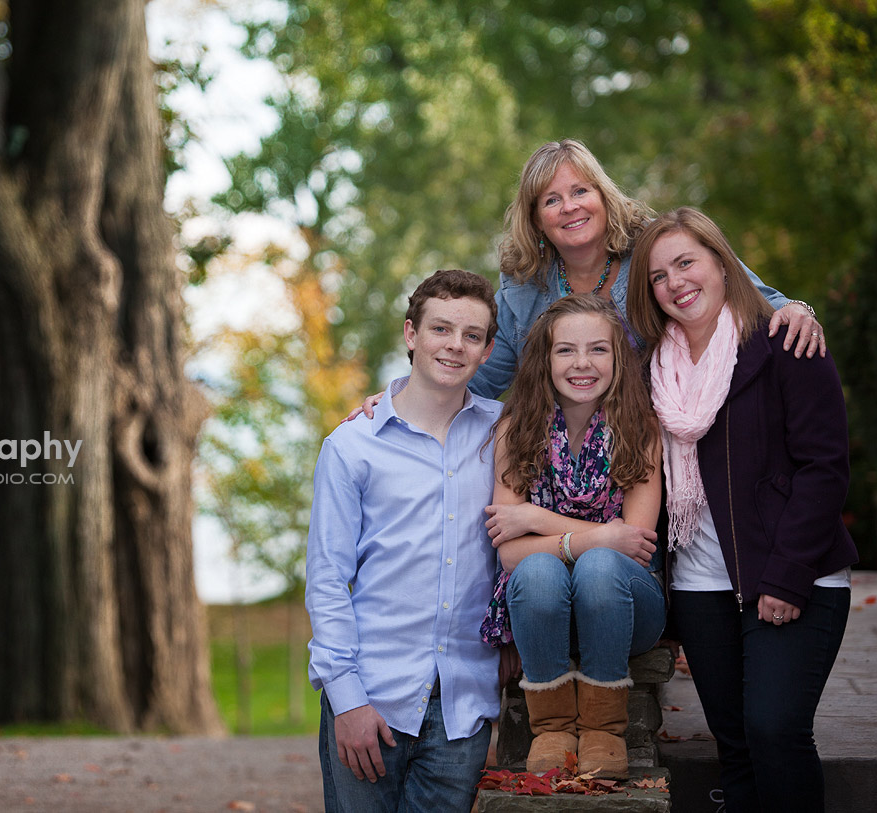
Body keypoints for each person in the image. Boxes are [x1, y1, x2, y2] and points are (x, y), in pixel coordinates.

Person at [626, 207, 857, 812]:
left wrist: (786, 576)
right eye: (658, 276)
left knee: (775, 731)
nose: (675, 282)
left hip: (792, 575)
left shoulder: (784, 341)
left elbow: (825, 468)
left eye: (686, 262)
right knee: (736, 746)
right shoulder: (655, 370)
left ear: (723, 264)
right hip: (702, 587)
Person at [349, 138, 824, 418]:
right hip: (563, 460)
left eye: (580, 190)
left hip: (657, 442)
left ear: (603, 195)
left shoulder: (650, 248)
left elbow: (743, 289)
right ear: (535, 218)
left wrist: (797, 310)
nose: (569, 206)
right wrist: (401, 400)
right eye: (551, 200)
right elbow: (482, 376)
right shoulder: (522, 287)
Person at [306, 269, 513, 812]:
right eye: (440, 329)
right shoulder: (352, 446)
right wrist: (346, 700)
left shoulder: (506, 434)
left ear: (488, 350)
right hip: (371, 700)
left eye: (472, 336)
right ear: (411, 334)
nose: (454, 345)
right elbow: (327, 579)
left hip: (463, 708)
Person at [479, 293, 664, 779]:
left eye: (598, 350)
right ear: (544, 360)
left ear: (619, 358)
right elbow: (511, 555)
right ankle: (553, 729)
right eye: (566, 350)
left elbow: (636, 546)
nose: (582, 363)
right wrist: (597, 536)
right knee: (539, 570)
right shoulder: (515, 428)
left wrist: (535, 518)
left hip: (624, 606)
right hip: (541, 609)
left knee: (602, 567)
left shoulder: (640, 427)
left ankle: (604, 731)